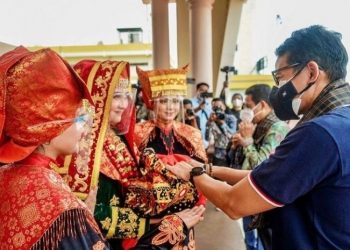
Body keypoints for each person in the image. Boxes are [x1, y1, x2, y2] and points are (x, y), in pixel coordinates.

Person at [168, 25, 350, 249]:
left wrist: (194, 173)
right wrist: (210, 170)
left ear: (311, 72)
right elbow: (272, 176)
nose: (278, 90)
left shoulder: (319, 133)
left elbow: (234, 203)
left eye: (280, 77)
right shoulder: (341, 122)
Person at [62, 60, 205, 250]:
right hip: (122, 237)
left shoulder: (119, 138)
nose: (123, 104)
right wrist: (158, 220)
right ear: (97, 96)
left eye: (125, 97)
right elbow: (91, 212)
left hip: (164, 222)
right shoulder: (80, 146)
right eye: (116, 97)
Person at [0, 47, 108, 249]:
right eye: (77, 118)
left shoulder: (4, 176)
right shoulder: (63, 208)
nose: (84, 129)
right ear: (48, 132)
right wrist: (175, 224)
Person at [135, 65, 208, 248]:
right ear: (153, 102)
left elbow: (202, 172)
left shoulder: (191, 134)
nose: (170, 107)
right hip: (153, 214)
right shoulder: (138, 133)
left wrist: (199, 204)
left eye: (175, 101)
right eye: (164, 101)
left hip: (186, 211)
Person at [228, 84, 289, 250]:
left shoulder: (277, 127)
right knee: (250, 241)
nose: (245, 111)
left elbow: (261, 166)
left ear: (261, 105)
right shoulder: (256, 125)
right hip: (248, 191)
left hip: (261, 198)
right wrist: (238, 144)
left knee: (258, 243)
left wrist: (247, 141)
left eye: (248, 106)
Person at [206, 98, 236, 166]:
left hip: (230, 151)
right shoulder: (212, 119)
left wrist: (222, 124)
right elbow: (207, 137)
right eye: (215, 107)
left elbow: (231, 135)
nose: (218, 109)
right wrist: (209, 123)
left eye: (220, 106)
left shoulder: (231, 118)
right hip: (217, 153)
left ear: (224, 106)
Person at [191, 82, 212, 148]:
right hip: (193, 133)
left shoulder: (209, 104)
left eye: (206, 91)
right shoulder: (190, 101)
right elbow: (187, 114)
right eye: (201, 90)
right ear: (197, 91)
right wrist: (199, 108)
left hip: (206, 135)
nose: (203, 92)